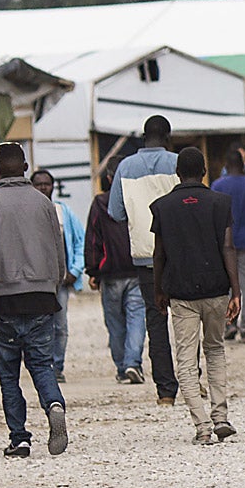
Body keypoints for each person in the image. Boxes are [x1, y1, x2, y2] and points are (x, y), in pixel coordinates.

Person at [0, 143, 71, 459]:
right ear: (26, 167)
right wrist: (54, 281)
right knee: (42, 364)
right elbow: (59, 252)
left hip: (6, 298)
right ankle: (54, 403)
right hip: (43, 297)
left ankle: (20, 438)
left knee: (9, 372)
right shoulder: (44, 203)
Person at [149, 147, 241, 446]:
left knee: (186, 363)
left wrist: (159, 289)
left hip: (182, 293)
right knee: (215, 350)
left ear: (177, 172)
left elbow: (158, 254)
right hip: (216, 289)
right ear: (204, 171)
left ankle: (202, 426)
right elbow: (228, 247)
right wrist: (236, 290)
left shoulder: (162, 207)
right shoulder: (220, 202)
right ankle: (221, 416)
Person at [107, 116, 181, 408]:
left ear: (143, 136)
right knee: (187, 319)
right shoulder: (177, 162)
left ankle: (165, 391)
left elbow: (116, 212)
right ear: (168, 136)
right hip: (179, 254)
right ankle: (192, 378)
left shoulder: (125, 167)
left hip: (145, 256)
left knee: (156, 321)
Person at [86, 158, 146, 383]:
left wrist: (93, 270)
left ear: (109, 177)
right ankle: (133, 363)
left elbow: (93, 237)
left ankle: (123, 367)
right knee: (137, 318)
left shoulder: (100, 203)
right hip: (137, 268)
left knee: (115, 323)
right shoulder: (138, 199)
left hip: (110, 272)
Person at [30, 169, 84, 376]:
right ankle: (41, 366)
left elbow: (80, 242)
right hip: (36, 282)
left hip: (60, 282)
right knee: (37, 326)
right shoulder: (28, 214)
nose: (43, 188)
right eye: (38, 184)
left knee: (60, 326)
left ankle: (57, 367)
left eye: (47, 184)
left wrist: (75, 271)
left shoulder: (63, 212)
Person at [210, 149, 245, 342]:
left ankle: (229, 324)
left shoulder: (217, 185)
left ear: (226, 166)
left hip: (223, 243)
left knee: (225, 285)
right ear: (244, 165)